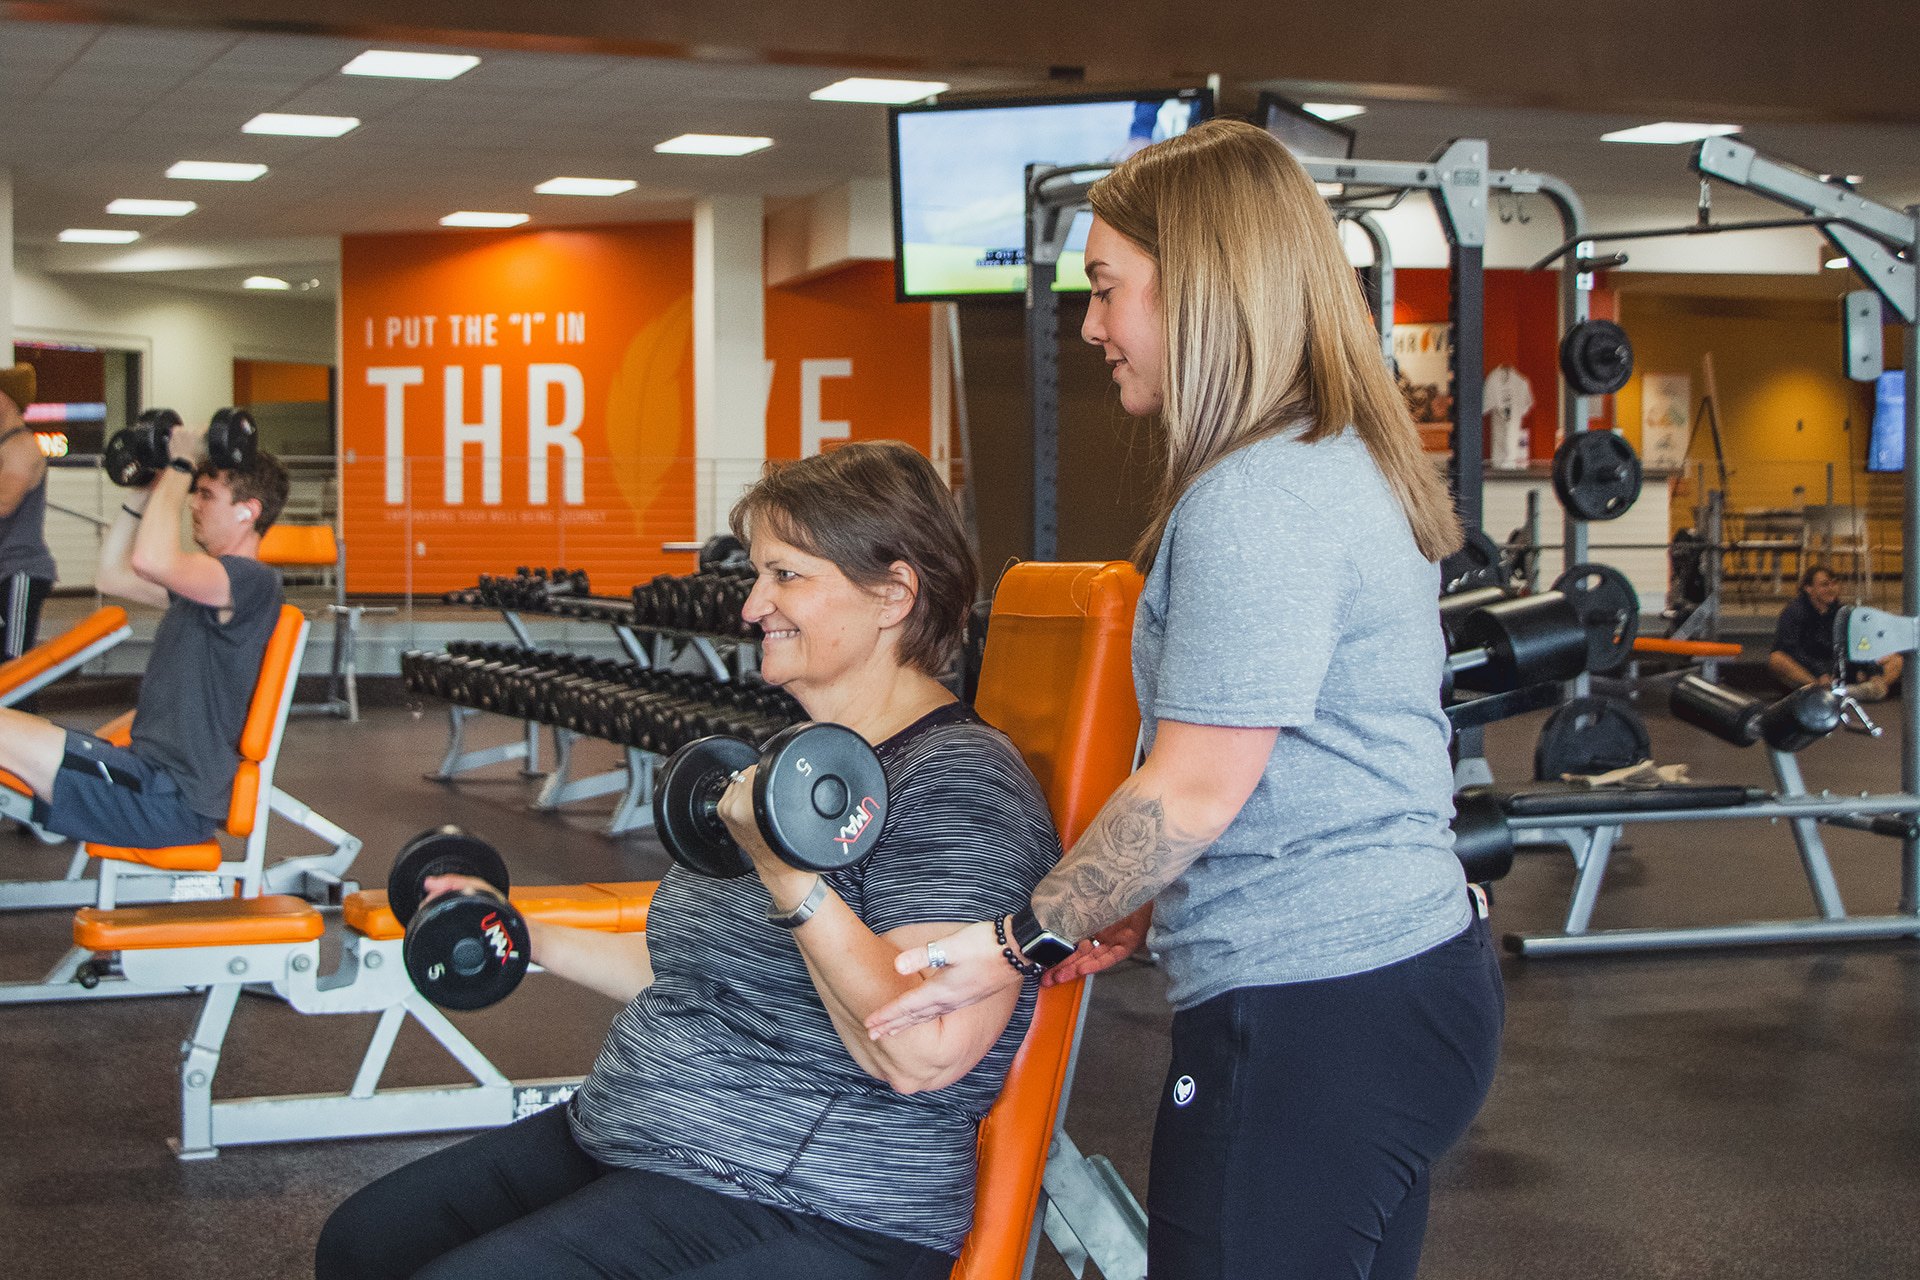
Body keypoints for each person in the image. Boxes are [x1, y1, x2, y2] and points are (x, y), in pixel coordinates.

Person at [866, 119, 1506, 1280]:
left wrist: (1016, 939)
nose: (1094, 325)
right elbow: (1289, 760)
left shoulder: (1260, 494)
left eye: (1109, 289)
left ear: (1204, 286)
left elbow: (1198, 787)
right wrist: (1133, 905)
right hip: (1400, 977)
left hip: (1318, 1004)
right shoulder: (1335, 456)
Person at [316, 440, 1062, 1280]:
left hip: (809, 1198)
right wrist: (524, 933)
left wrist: (788, 876)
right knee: (365, 1244)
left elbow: (925, 1051)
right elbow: (697, 969)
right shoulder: (791, 764)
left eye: (786, 576)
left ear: (892, 594)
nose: (750, 607)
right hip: (643, 1132)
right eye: (756, 575)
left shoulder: (961, 783)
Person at [0, 417, 288, 848]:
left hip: (165, 797)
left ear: (248, 512)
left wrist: (181, 465)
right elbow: (112, 575)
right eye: (195, 494)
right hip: (138, 777)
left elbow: (152, 560)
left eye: (207, 496)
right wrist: (145, 490)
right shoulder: (202, 591)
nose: (194, 504)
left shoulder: (251, 582)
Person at [1769, 564, 1901, 701]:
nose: (1831, 589)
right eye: (1825, 585)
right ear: (1808, 588)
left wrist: (1872, 671)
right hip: (1811, 671)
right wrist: (1820, 673)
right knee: (1777, 659)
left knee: (1895, 659)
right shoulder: (1794, 612)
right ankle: (1821, 691)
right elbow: (1790, 649)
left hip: (1840, 668)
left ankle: (1868, 689)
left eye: (1834, 584)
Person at [0, 363, 57, 663]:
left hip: (20, 571)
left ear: (5, 399)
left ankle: (23, 713)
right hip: (5, 571)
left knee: (14, 668)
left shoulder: (21, 447)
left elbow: (5, 502)